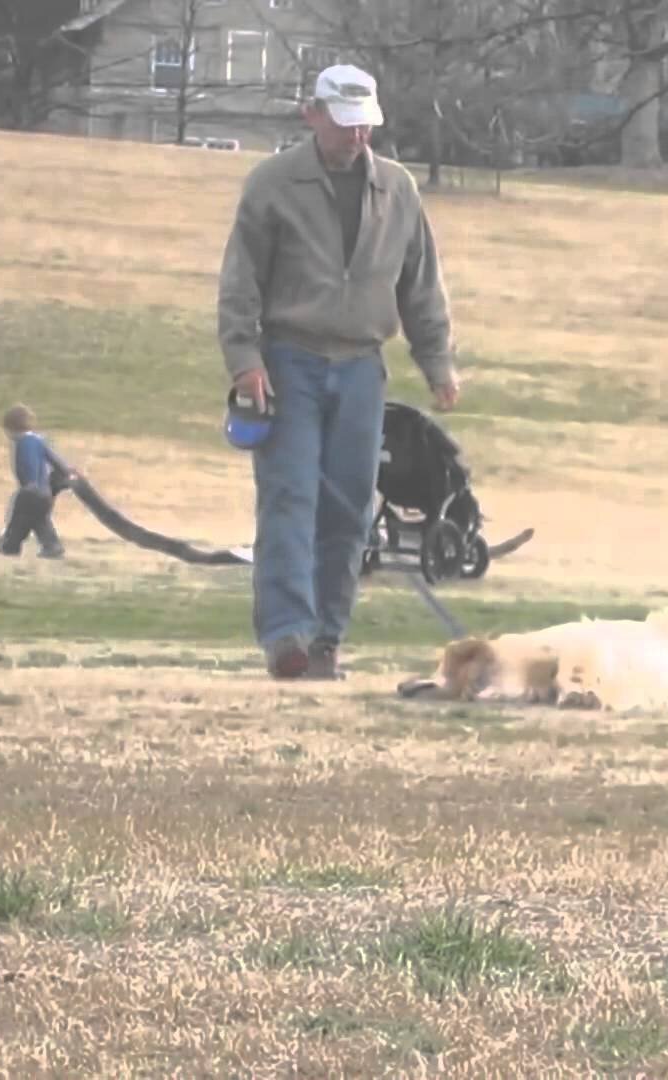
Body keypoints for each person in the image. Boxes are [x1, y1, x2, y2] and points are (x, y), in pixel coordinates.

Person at [217, 63, 460, 681]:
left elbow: (421, 284)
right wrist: (245, 360)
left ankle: (327, 638)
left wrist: (437, 362)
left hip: (361, 369)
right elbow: (240, 280)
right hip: (288, 363)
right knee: (289, 500)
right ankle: (286, 637)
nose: (357, 137)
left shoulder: (399, 190)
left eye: (366, 126)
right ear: (313, 114)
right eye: (346, 124)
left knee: (350, 510)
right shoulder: (272, 184)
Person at [0, 404, 66, 560]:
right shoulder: (40, 441)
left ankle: (9, 545)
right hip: (45, 492)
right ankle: (52, 545)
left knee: (17, 519)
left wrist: (29, 485)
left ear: (11, 428)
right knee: (40, 520)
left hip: (29, 491)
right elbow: (56, 461)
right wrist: (66, 473)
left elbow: (27, 465)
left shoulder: (22, 443)